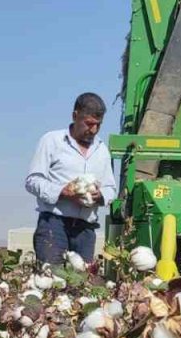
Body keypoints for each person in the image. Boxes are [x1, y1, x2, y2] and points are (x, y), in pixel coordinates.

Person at [24, 92, 118, 267]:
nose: (94, 130)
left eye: (98, 125)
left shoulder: (102, 150)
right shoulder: (52, 141)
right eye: (89, 124)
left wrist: (100, 196)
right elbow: (32, 181)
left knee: (82, 284)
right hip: (54, 224)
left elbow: (111, 188)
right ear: (75, 116)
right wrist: (62, 192)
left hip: (85, 230)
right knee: (52, 280)